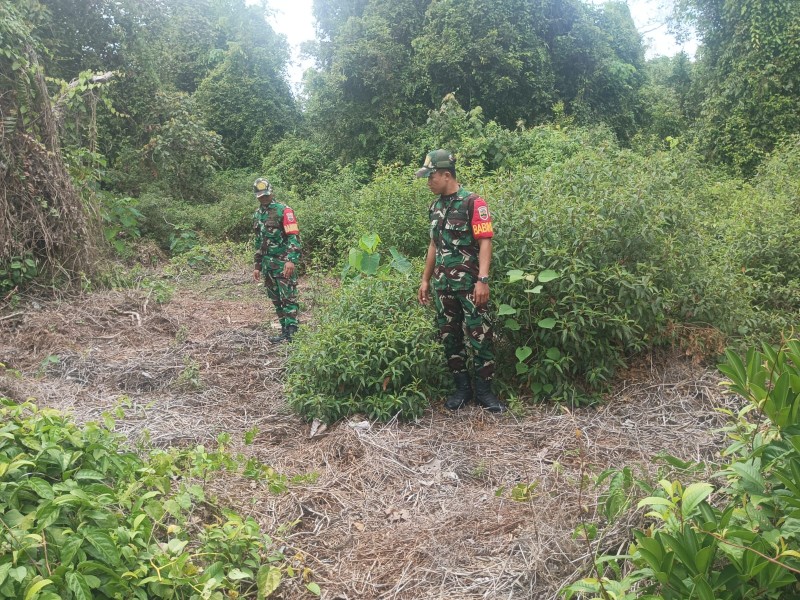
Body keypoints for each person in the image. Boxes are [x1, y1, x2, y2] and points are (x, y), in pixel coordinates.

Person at [416, 150, 506, 413]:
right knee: (449, 338)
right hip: (443, 286)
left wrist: (483, 280)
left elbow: (485, 241)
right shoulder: (435, 207)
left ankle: (485, 392)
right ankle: (462, 389)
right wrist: (425, 280)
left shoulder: (473, 203)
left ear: (446, 175)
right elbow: (433, 244)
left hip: (470, 285)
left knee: (480, 336)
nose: (428, 182)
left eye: (431, 177)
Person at [252, 178, 301, 343]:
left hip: (282, 263)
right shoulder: (258, 214)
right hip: (267, 265)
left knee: (288, 298)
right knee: (276, 300)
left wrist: (290, 260)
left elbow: (293, 237)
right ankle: (284, 332)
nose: (263, 198)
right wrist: (257, 265)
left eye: (266, 195)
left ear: (271, 192)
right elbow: (259, 242)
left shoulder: (284, 211)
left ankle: (293, 333)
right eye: (260, 196)